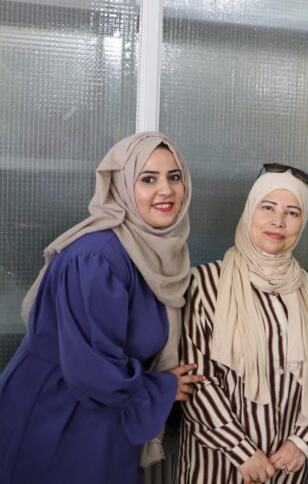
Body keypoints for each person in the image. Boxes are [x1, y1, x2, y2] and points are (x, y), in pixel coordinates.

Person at [0, 132, 203, 483]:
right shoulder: (97, 257)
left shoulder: (153, 251)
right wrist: (161, 387)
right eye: (148, 179)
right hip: (56, 413)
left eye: (174, 177)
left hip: (98, 410)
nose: (166, 190)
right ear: (121, 185)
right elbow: (92, 368)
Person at [176, 164, 308, 484]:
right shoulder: (205, 283)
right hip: (218, 465)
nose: (278, 221)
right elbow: (197, 379)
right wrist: (243, 452)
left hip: (287, 466)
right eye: (268, 207)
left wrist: (301, 442)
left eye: (292, 212)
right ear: (250, 211)